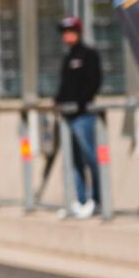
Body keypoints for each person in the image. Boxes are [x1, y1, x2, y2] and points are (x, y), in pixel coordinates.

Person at [54, 15, 103, 218]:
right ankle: (81, 200)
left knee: (91, 157)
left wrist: (80, 103)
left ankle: (98, 200)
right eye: (64, 32)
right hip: (68, 117)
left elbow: (93, 82)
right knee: (74, 160)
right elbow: (64, 87)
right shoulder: (68, 58)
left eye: (70, 31)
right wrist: (58, 102)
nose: (67, 36)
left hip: (84, 116)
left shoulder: (88, 55)